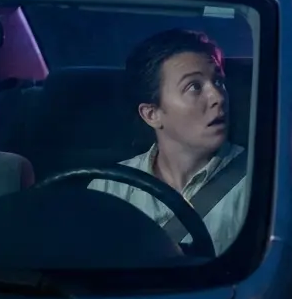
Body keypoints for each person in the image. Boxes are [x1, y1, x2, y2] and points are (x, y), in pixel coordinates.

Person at [87, 29, 249, 257]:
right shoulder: (109, 189)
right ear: (152, 114)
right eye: (194, 86)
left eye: (218, 81)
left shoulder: (258, 185)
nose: (218, 97)